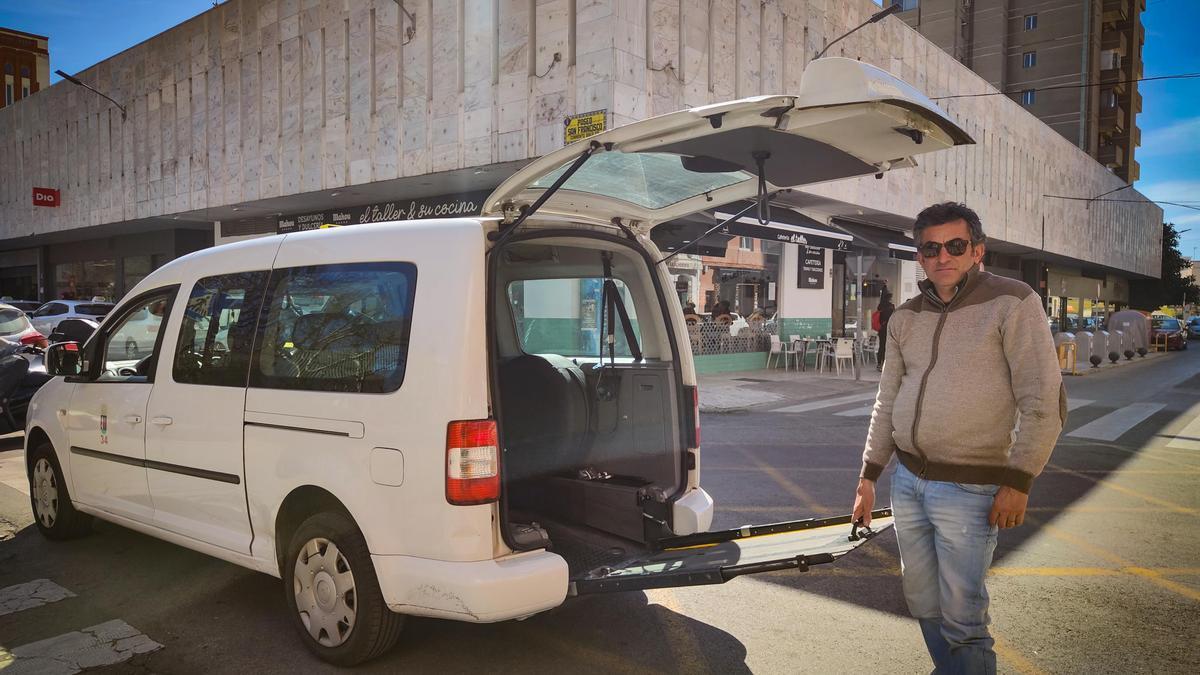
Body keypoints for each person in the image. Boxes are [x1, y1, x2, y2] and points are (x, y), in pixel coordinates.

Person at [850, 202, 1065, 674]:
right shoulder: (905, 317)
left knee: (964, 617)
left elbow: (1043, 401)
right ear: (920, 256)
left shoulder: (1014, 301)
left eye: (955, 245)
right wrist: (869, 476)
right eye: (931, 247)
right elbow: (887, 401)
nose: (942, 256)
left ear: (977, 250)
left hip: (971, 488)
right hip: (907, 481)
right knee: (922, 601)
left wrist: (1019, 480)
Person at [875, 291, 895, 370]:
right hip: (888, 329)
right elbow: (893, 317)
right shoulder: (891, 306)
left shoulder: (880, 306)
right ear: (889, 298)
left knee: (881, 346)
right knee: (888, 347)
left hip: (881, 329)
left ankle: (879, 363)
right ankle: (885, 363)